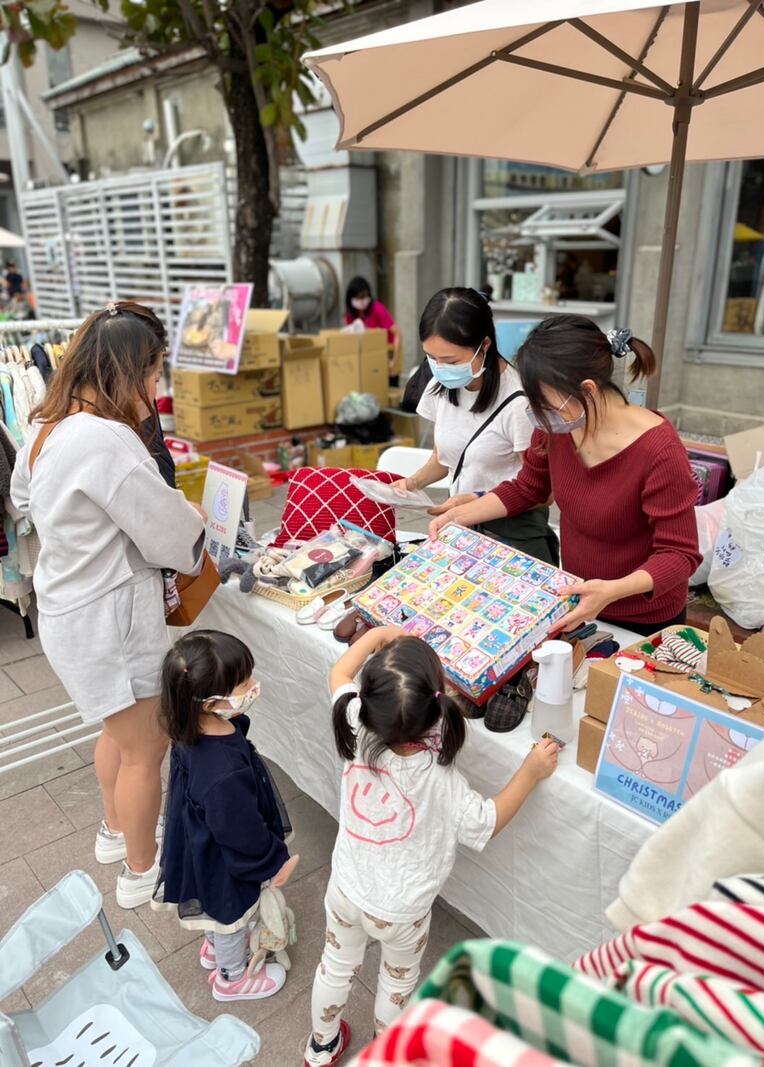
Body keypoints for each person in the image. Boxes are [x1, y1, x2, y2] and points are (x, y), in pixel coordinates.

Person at [10, 301, 207, 909]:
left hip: (69, 610)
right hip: (109, 618)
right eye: (151, 375)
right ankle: (143, 873)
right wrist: (195, 525)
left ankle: (114, 831)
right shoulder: (107, 440)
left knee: (118, 734)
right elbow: (171, 536)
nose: (154, 390)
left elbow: (22, 497)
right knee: (148, 748)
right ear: (127, 370)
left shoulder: (49, 424)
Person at [303, 627, 560, 1066]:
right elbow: (488, 821)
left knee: (335, 965)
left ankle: (320, 1046)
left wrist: (378, 635)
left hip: (346, 887)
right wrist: (531, 772)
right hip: (404, 911)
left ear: (369, 701)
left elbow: (339, 670)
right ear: (438, 703)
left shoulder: (352, 723)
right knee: (396, 984)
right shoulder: (443, 782)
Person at [429, 315, 702, 637]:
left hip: (643, 619)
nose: (536, 412)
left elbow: (679, 555)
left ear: (586, 390)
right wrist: (460, 515)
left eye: (543, 401)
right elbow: (529, 488)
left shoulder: (658, 451)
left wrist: (612, 591)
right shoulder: (558, 426)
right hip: (577, 599)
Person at [153, 630, 297, 1002]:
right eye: (243, 681)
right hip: (223, 855)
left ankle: (216, 946)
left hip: (199, 842)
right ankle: (231, 977)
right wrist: (271, 861)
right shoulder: (223, 772)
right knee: (231, 911)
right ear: (210, 701)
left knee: (215, 908)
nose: (252, 685)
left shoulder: (191, 728)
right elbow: (240, 831)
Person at [393, 287, 558, 564]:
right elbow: (445, 457)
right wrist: (410, 484)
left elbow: (542, 493)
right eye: (431, 358)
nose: (438, 368)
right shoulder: (441, 385)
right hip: (461, 531)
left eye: (450, 361)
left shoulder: (520, 402)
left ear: (484, 345)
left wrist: (475, 501)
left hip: (512, 536)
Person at [344, 275, 402, 381]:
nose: (361, 301)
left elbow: (397, 333)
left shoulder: (377, 309)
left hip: (386, 358)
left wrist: (394, 361)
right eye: (357, 298)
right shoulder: (350, 316)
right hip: (365, 363)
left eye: (364, 297)